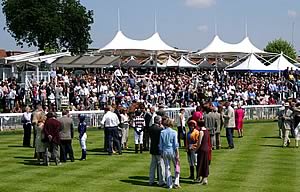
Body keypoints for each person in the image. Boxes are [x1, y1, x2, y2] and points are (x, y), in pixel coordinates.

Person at [159, 118, 180, 189]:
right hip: (172, 151)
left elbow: (160, 144)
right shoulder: (174, 132)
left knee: (167, 167)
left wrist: (161, 152)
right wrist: (177, 154)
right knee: (176, 166)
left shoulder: (162, 132)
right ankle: (176, 182)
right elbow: (176, 144)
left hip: (165, 151)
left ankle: (169, 184)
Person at [149, 115, 165, 186]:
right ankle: (161, 181)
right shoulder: (160, 129)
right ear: (159, 121)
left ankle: (151, 180)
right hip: (159, 149)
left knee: (152, 166)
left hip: (153, 148)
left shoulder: (151, 128)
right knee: (160, 165)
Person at [192, 120, 210, 185]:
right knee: (205, 163)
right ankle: (203, 179)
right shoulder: (207, 131)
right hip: (207, 148)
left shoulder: (201, 132)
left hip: (202, 149)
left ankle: (204, 179)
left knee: (201, 163)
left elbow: (199, 143)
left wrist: (196, 149)